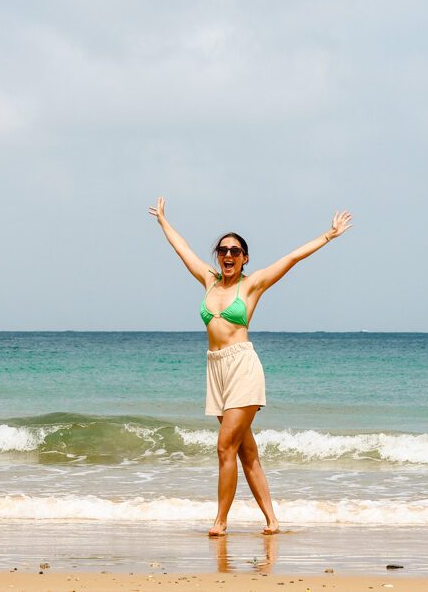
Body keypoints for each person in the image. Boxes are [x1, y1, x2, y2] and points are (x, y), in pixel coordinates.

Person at [148, 198, 352, 536]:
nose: (228, 255)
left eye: (235, 251)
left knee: (224, 445)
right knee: (246, 451)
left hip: (242, 366)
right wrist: (164, 222)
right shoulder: (208, 280)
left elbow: (291, 258)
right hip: (216, 370)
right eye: (223, 250)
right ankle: (272, 520)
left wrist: (328, 235)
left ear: (244, 259)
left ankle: (220, 521)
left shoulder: (251, 285)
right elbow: (181, 249)